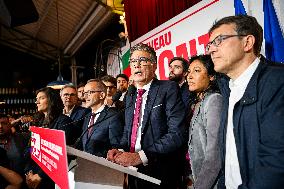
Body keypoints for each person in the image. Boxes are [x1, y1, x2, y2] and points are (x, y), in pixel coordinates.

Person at [206, 15, 284, 189]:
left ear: (247, 42)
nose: (211, 50)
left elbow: (276, 162)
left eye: (219, 40)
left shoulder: (278, 82)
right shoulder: (227, 88)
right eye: (210, 44)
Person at [107, 43, 186, 189]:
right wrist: (120, 150)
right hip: (131, 172)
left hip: (158, 171)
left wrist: (140, 157)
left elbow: (177, 134)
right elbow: (128, 131)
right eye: (133, 62)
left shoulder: (168, 88)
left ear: (154, 66)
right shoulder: (130, 95)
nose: (137, 65)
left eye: (142, 60)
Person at [25, 87, 75, 189]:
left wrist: (39, 175)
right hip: (33, 174)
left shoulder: (63, 121)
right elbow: (31, 149)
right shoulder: (38, 122)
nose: (37, 102)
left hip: (51, 178)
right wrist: (29, 172)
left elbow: (58, 154)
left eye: (41, 98)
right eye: (37, 98)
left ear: (51, 100)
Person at [186, 55, 222, 189]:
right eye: (189, 72)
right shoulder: (197, 104)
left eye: (196, 71)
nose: (189, 76)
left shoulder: (214, 100)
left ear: (211, 76)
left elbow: (214, 156)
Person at [80, 79, 124, 157]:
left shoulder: (113, 116)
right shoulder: (87, 116)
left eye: (90, 92)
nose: (85, 96)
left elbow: (117, 149)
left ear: (102, 95)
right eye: (85, 93)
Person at [0, 114, 30, 182]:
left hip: (24, 182)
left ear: (9, 125)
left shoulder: (21, 138)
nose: (0, 126)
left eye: (4, 123)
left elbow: (39, 135)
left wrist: (31, 119)